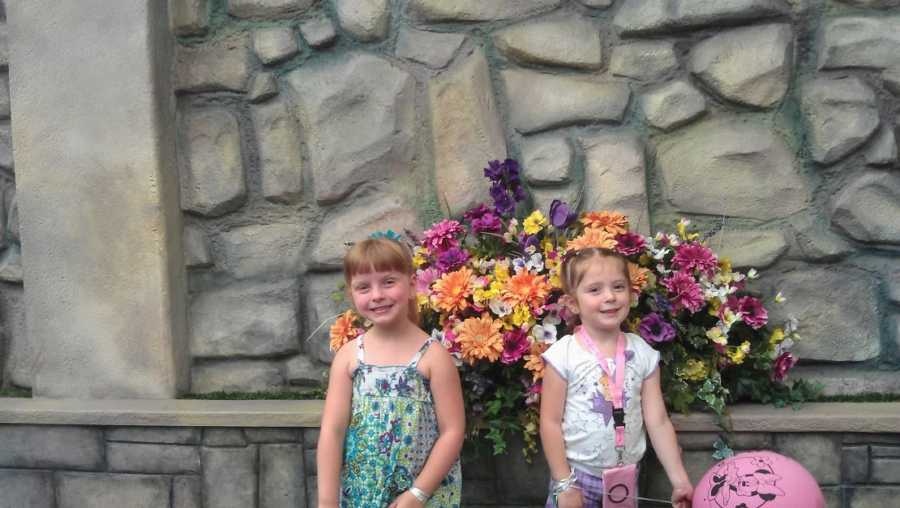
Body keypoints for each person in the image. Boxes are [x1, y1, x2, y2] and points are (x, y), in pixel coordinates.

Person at [317, 237, 465, 508]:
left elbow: (453, 431)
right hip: (362, 493)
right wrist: (327, 501)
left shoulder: (433, 357)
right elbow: (332, 431)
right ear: (352, 295)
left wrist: (418, 493)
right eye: (364, 287)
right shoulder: (349, 357)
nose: (377, 295)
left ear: (410, 286)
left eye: (388, 282)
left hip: (421, 496)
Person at [540, 247, 693, 508]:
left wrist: (679, 480)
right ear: (573, 303)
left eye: (618, 287)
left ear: (631, 294)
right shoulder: (564, 355)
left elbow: (657, 421)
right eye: (595, 290)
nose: (610, 296)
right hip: (576, 479)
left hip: (624, 481)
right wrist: (564, 484)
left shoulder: (643, 353)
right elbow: (550, 423)